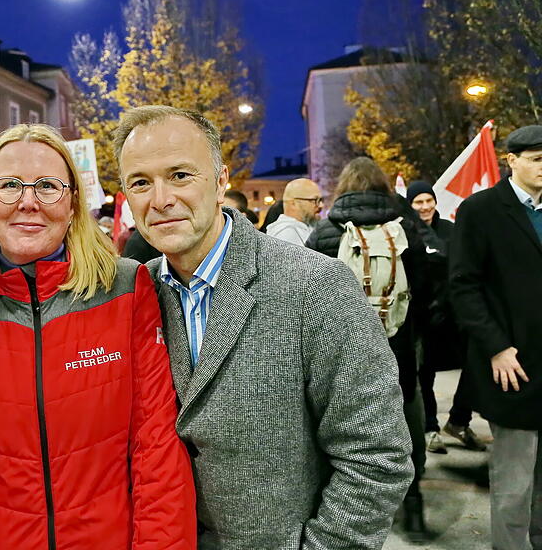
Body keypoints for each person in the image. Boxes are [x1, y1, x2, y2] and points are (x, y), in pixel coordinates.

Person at [115, 105, 413, 549]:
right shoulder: (135, 293)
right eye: (141, 182)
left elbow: (376, 454)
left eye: (180, 175)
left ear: (220, 182)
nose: (160, 199)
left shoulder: (315, 285)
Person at [0, 124, 195, 550]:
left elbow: (156, 448)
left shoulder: (125, 288)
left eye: (48, 186)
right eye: (9, 185)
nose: (28, 202)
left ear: (73, 202)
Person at [306, 157, 430, 538]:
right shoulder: (405, 227)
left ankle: (343, 510)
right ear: (382, 186)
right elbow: (425, 288)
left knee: (342, 426)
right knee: (408, 414)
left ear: (343, 186)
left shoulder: (325, 231)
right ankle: (413, 504)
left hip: (339, 351)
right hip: (399, 345)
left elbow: (309, 292)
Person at [449, 125, 542, 550]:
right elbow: (464, 286)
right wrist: (497, 347)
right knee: (514, 484)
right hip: (515, 367)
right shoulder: (481, 210)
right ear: (513, 161)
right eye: (537, 159)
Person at [407, 181, 485, 455]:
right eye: (419, 202)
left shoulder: (452, 230)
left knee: (475, 365)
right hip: (424, 318)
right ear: (410, 205)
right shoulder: (407, 233)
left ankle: (459, 420)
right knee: (424, 374)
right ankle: (430, 428)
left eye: (429, 200)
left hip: (456, 316)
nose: (425, 206)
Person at [265, 178, 322, 245]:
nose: (321, 205)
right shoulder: (285, 233)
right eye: (315, 200)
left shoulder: (303, 227)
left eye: (320, 200)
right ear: (293, 204)